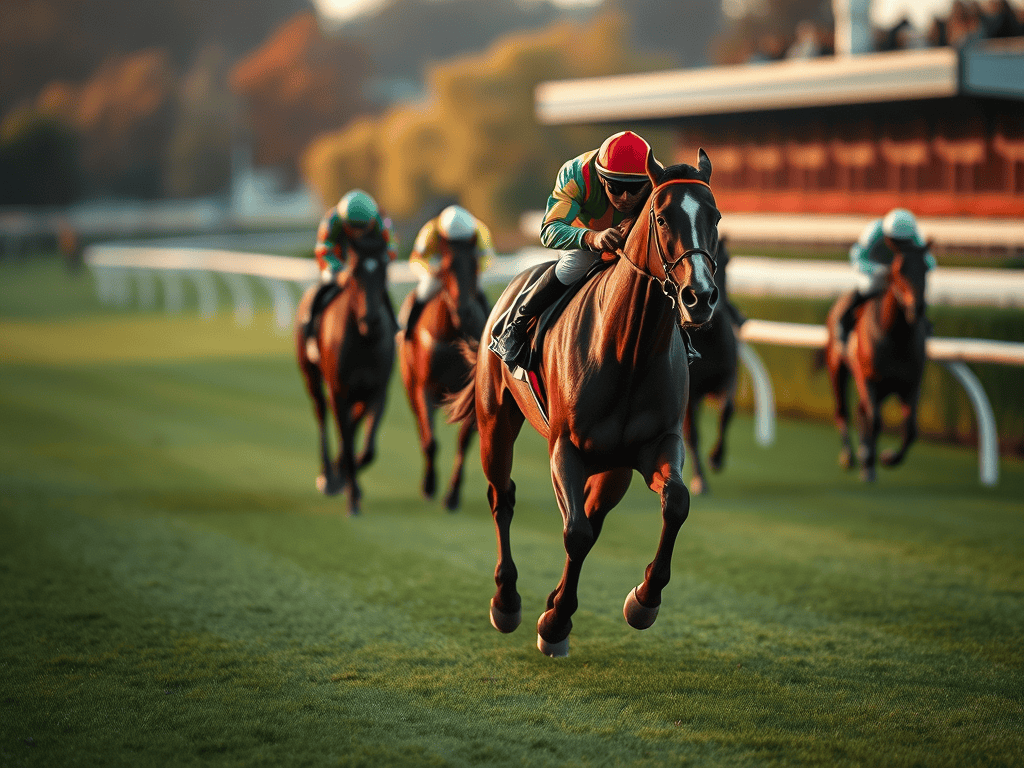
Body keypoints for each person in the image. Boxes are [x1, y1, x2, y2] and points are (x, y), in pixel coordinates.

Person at [489, 130, 662, 367]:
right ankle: (517, 327)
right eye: (615, 187)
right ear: (601, 178)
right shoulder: (576, 174)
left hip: (633, 241)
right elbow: (549, 231)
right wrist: (592, 238)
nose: (624, 197)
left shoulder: (657, 177)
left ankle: (684, 337)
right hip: (581, 237)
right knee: (576, 264)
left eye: (634, 189)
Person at [301, 189, 398, 358]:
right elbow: (323, 250)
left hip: (367, 264)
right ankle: (310, 332)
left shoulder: (381, 220)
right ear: (344, 221)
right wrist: (339, 272)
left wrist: (377, 265)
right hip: (338, 263)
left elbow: (391, 248)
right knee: (323, 286)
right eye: (353, 227)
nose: (358, 232)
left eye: (362, 227)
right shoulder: (332, 220)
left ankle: (395, 331)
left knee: (379, 289)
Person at [833, 208, 936, 344]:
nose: (900, 248)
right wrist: (880, 270)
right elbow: (857, 258)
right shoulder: (874, 231)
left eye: (904, 243)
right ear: (887, 235)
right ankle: (844, 322)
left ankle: (922, 324)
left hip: (900, 275)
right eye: (896, 242)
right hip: (875, 271)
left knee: (915, 294)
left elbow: (930, 262)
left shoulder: (913, 235)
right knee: (868, 287)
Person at [403, 204, 495, 340]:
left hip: (467, 270)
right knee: (423, 293)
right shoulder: (431, 230)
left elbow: (488, 259)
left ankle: (492, 336)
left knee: (480, 296)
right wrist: (432, 271)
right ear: (443, 234)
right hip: (438, 269)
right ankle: (406, 333)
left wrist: (473, 270)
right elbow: (416, 259)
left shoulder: (480, 230)